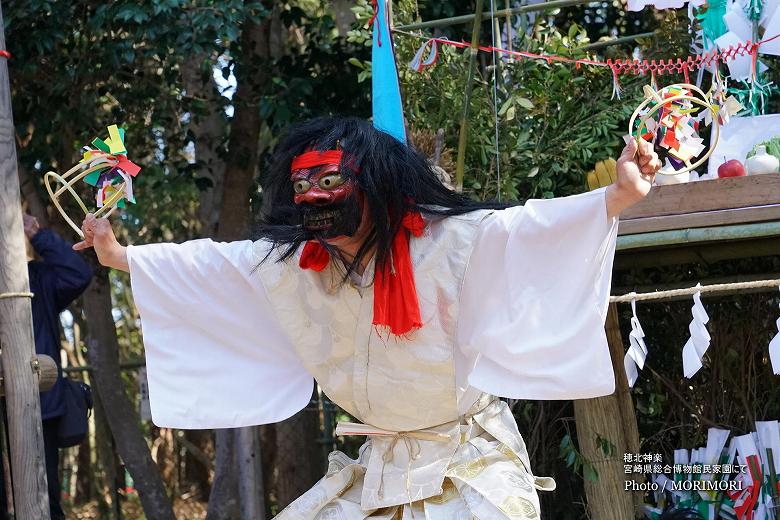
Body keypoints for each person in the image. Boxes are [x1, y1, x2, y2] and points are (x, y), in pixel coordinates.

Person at [75, 116, 660, 519]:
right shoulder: (291, 265)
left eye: (330, 181)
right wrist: (120, 257)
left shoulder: (450, 242)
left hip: (468, 462)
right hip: (378, 468)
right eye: (303, 185)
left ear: (374, 184)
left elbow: (531, 230)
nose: (314, 197)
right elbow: (211, 268)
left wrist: (618, 198)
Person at [23, 213, 93, 520]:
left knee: (44, 498)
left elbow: (78, 274)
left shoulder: (36, 278)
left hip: (38, 404)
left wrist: (39, 235)